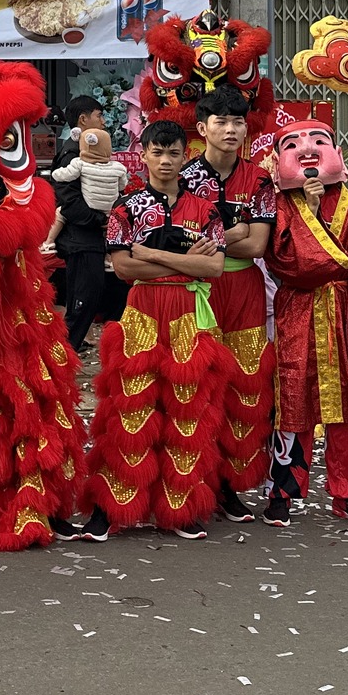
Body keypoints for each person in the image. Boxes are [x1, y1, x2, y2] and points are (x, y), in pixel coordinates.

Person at [81, 118, 234, 540]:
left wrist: (151, 254)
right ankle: (109, 508)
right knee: (130, 407)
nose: (165, 160)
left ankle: (179, 511)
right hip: (142, 312)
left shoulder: (206, 210)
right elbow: (123, 268)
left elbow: (215, 268)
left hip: (187, 314)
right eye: (157, 152)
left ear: (185, 157)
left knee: (186, 409)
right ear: (143, 155)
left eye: (173, 153)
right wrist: (186, 263)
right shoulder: (125, 208)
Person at [262, 114, 348, 530]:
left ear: (337, 153)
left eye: (318, 141)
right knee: (292, 403)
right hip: (297, 313)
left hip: (345, 315)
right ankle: (282, 494)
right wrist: (307, 210)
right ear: (278, 160)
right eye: (293, 145)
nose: (307, 150)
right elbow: (287, 263)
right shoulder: (278, 207)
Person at [179, 87, 277, 521]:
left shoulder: (259, 180)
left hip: (245, 292)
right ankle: (193, 482)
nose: (231, 129)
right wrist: (235, 230)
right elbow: (180, 245)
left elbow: (257, 246)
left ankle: (230, 486)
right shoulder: (183, 178)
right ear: (203, 129)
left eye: (238, 121)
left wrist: (214, 238)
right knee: (195, 386)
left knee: (244, 385)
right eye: (221, 121)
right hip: (196, 290)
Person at [48, 93, 128, 346]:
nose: (103, 121)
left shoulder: (89, 153)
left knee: (86, 296)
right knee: (84, 297)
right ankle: (66, 350)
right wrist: (99, 219)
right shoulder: (74, 155)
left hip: (88, 237)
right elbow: (68, 199)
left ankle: (70, 345)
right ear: (83, 120)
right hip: (81, 238)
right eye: (99, 115)